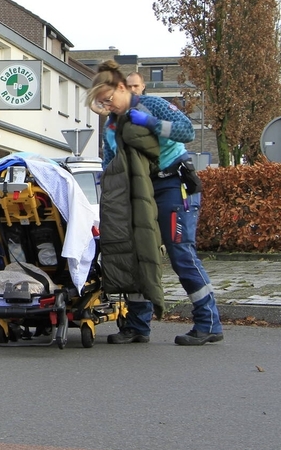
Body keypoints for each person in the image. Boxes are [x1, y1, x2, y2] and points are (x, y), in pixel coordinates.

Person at [88, 60, 223, 346]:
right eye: (102, 104)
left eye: (109, 100)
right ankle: (138, 325)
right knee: (136, 252)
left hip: (174, 184)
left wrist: (150, 123)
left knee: (180, 253)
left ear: (122, 88)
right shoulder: (111, 127)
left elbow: (186, 131)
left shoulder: (151, 105)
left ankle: (208, 322)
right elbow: (109, 163)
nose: (107, 107)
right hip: (141, 191)